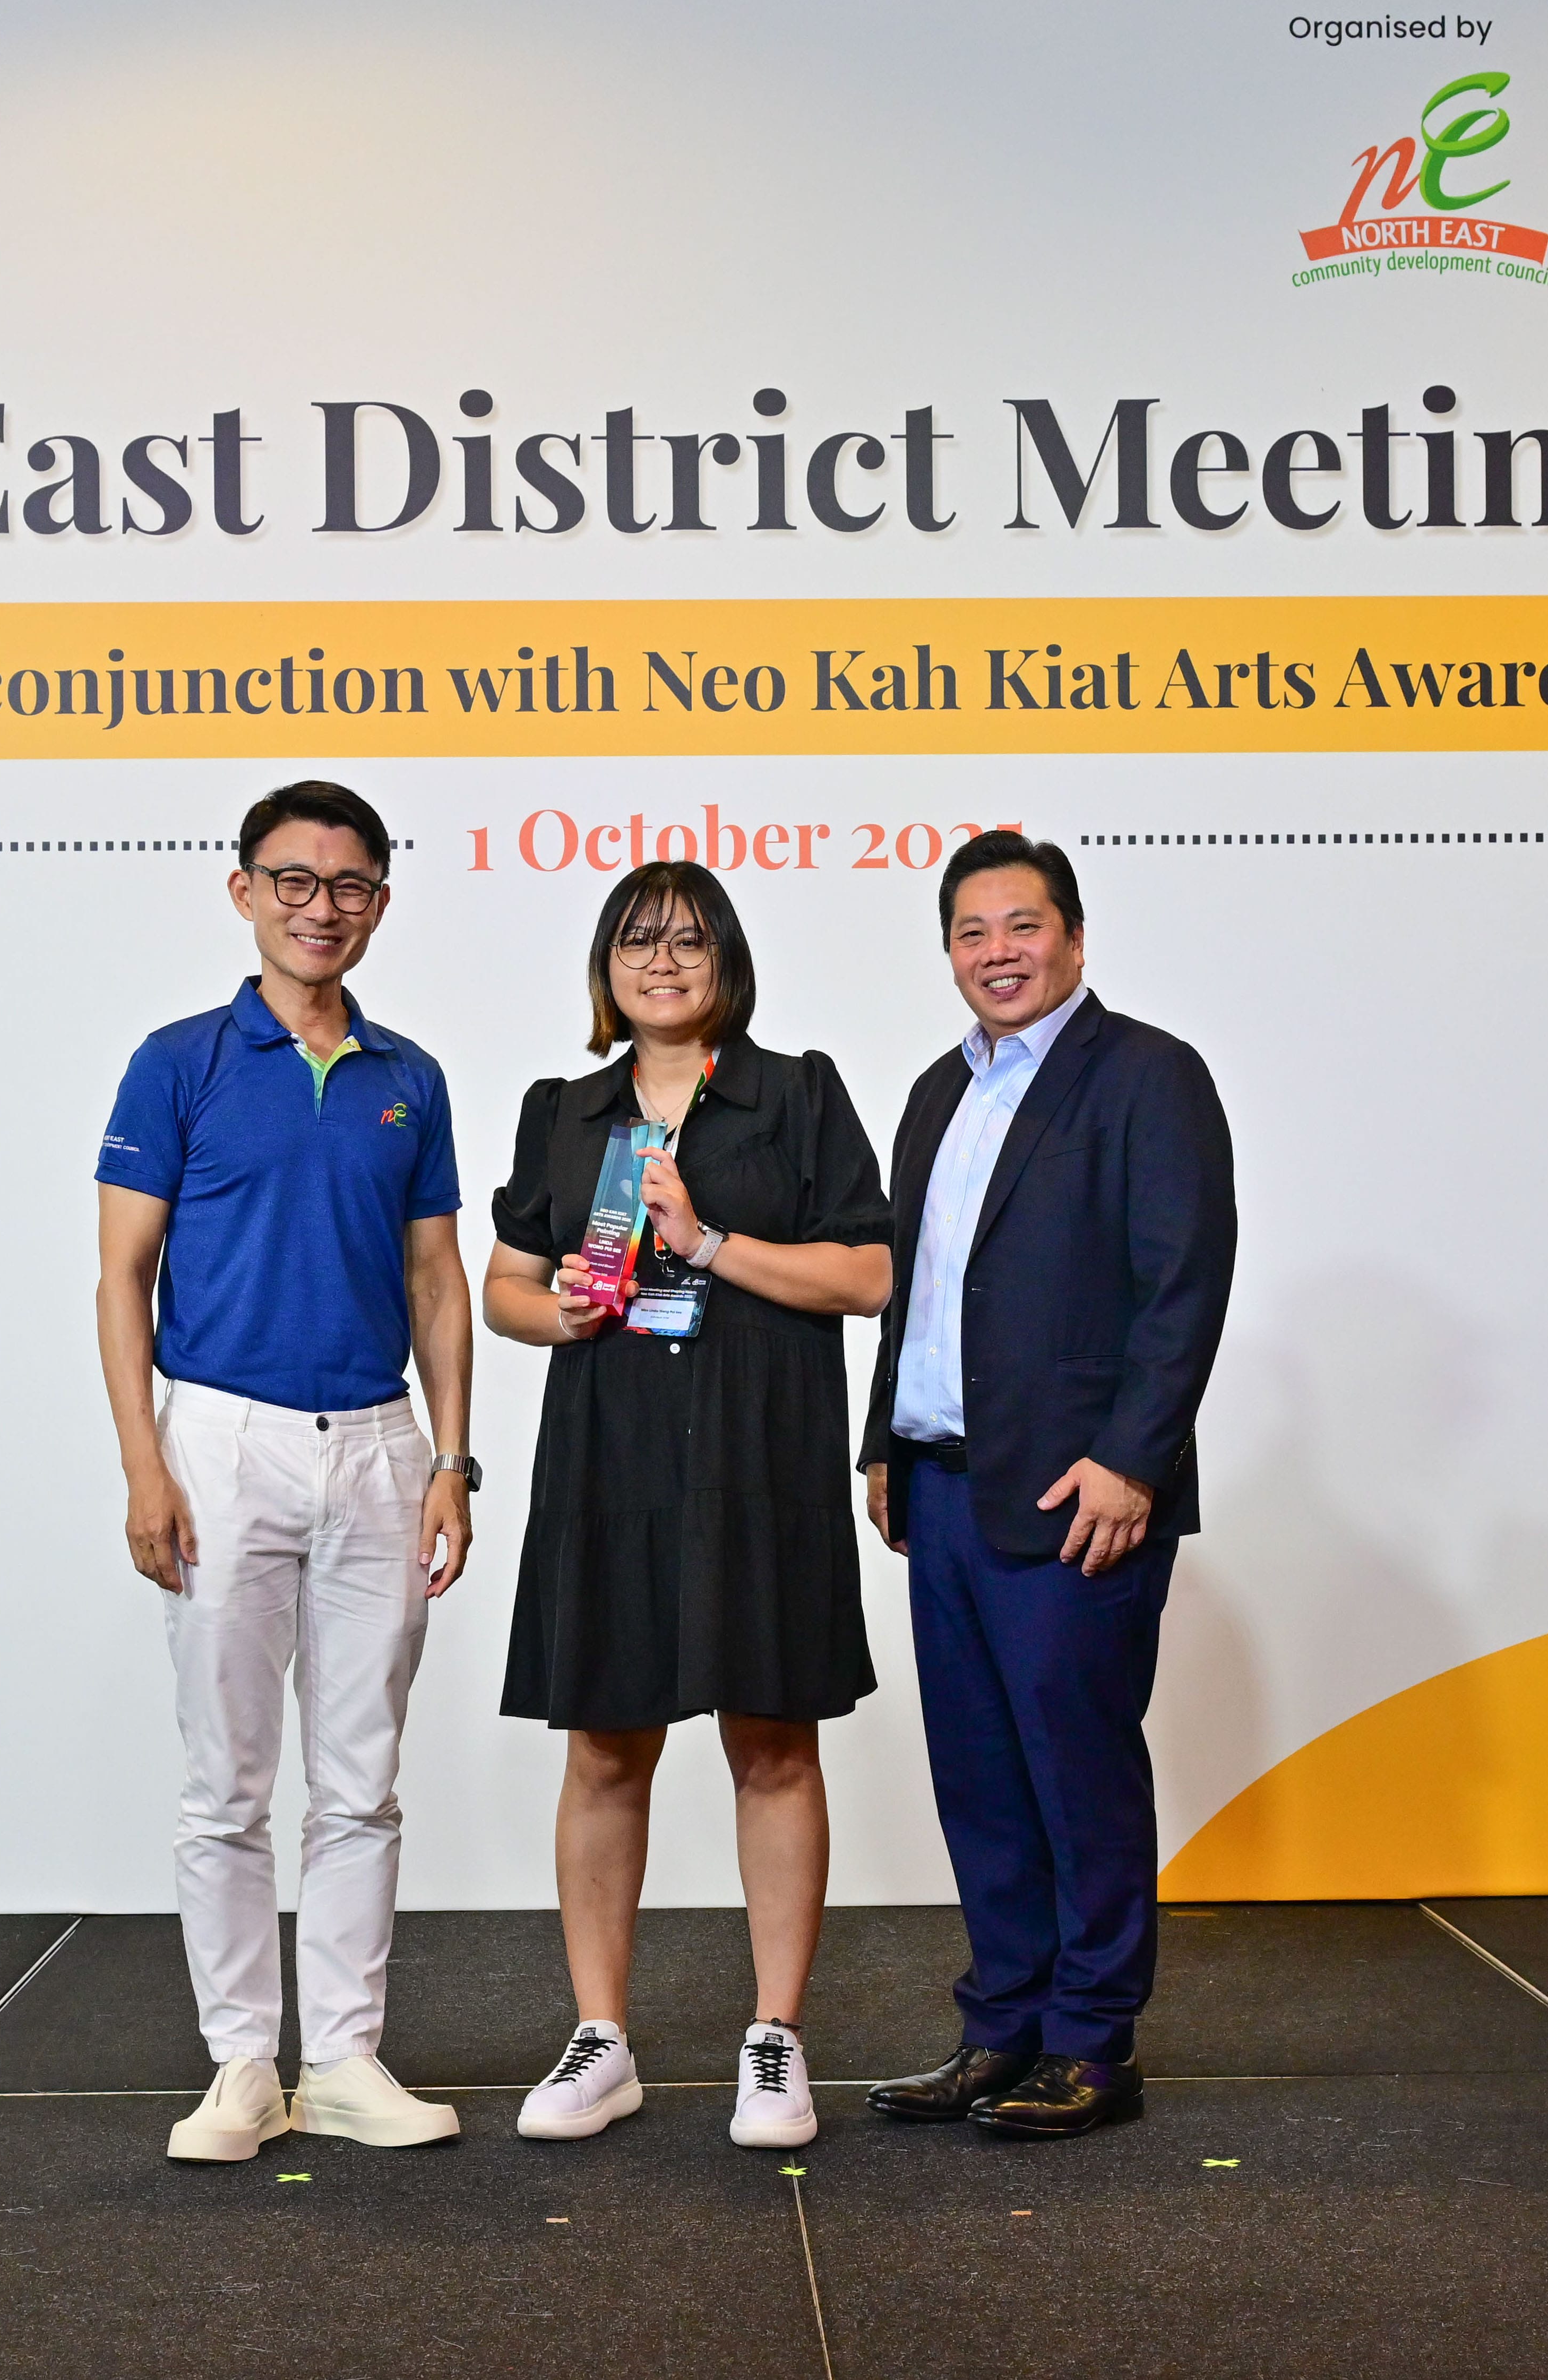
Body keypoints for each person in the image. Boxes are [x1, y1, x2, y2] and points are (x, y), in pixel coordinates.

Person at [96, 780, 481, 2164]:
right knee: (225, 1778)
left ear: (382, 899)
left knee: (359, 1776)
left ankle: (347, 2055)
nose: (324, 907)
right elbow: (121, 1277)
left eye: (352, 885)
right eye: (297, 881)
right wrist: (146, 1461)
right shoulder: (177, 1062)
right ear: (244, 889)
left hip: (378, 1445)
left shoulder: (410, 1077)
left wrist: (453, 1458)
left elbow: (438, 1279)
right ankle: (240, 2064)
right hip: (221, 1438)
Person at [482, 861, 893, 2151]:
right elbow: (504, 1285)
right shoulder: (565, 1108)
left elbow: (870, 1274)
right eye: (637, 941)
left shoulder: (799, 1091)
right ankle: (601, 2038)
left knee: (772, 1742)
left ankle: (773, 2039)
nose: (662, 962)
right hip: (608, 1460)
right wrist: (561, 1310)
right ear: (605, 965)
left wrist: (710, 1243)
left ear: (729, 961)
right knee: (603, 1746)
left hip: (758, 1455)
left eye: (689, 942)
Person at [858, 830, 1236, 2141]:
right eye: (971, 933)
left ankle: (1090, 2043)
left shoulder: (1145, 1076)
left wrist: (1136, 1458)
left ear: (1072, 938)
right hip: (945, 1484)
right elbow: (914, 1291)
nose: (996, 954)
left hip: (1077, 1492)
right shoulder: (931, 1093)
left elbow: (1182, 1282)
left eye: (1021, 927)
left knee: (1074, 1768)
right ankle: (999, 2026)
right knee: (976, 1774)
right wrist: (880, 1444)